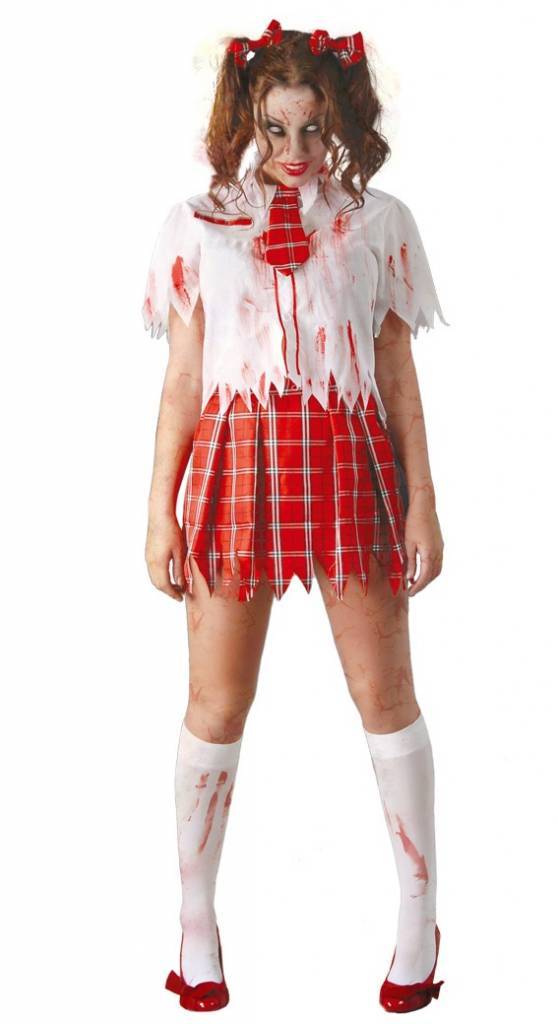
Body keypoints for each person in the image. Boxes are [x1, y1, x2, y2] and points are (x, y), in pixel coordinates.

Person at [142, 19, 449, 1014]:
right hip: (235, 470)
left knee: (384, 693)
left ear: (341, 121)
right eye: (276, 128)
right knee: (216, 703)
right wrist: (159, 513)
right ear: (247, 121)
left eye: (314, 128)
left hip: (350, 462)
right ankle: (195, 918)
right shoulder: (198, 225)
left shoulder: (380, 223)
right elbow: (182, 381)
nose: (295, 150)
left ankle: (419, 908)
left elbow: (397, 374)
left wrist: (423, 504)